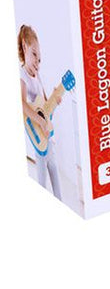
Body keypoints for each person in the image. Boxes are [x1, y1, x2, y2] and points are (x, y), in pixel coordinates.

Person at [18, 25, 62, 198]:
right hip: (38, 135)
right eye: (34, 54)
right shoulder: (22, 76)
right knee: (42, 179)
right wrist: (41, 121)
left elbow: (46, 109)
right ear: (24, 46)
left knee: (54, 172)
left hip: (46, 135)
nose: (37, 61)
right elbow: (22, 104)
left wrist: (55, 101)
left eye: (40, 59)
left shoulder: (38, 76)